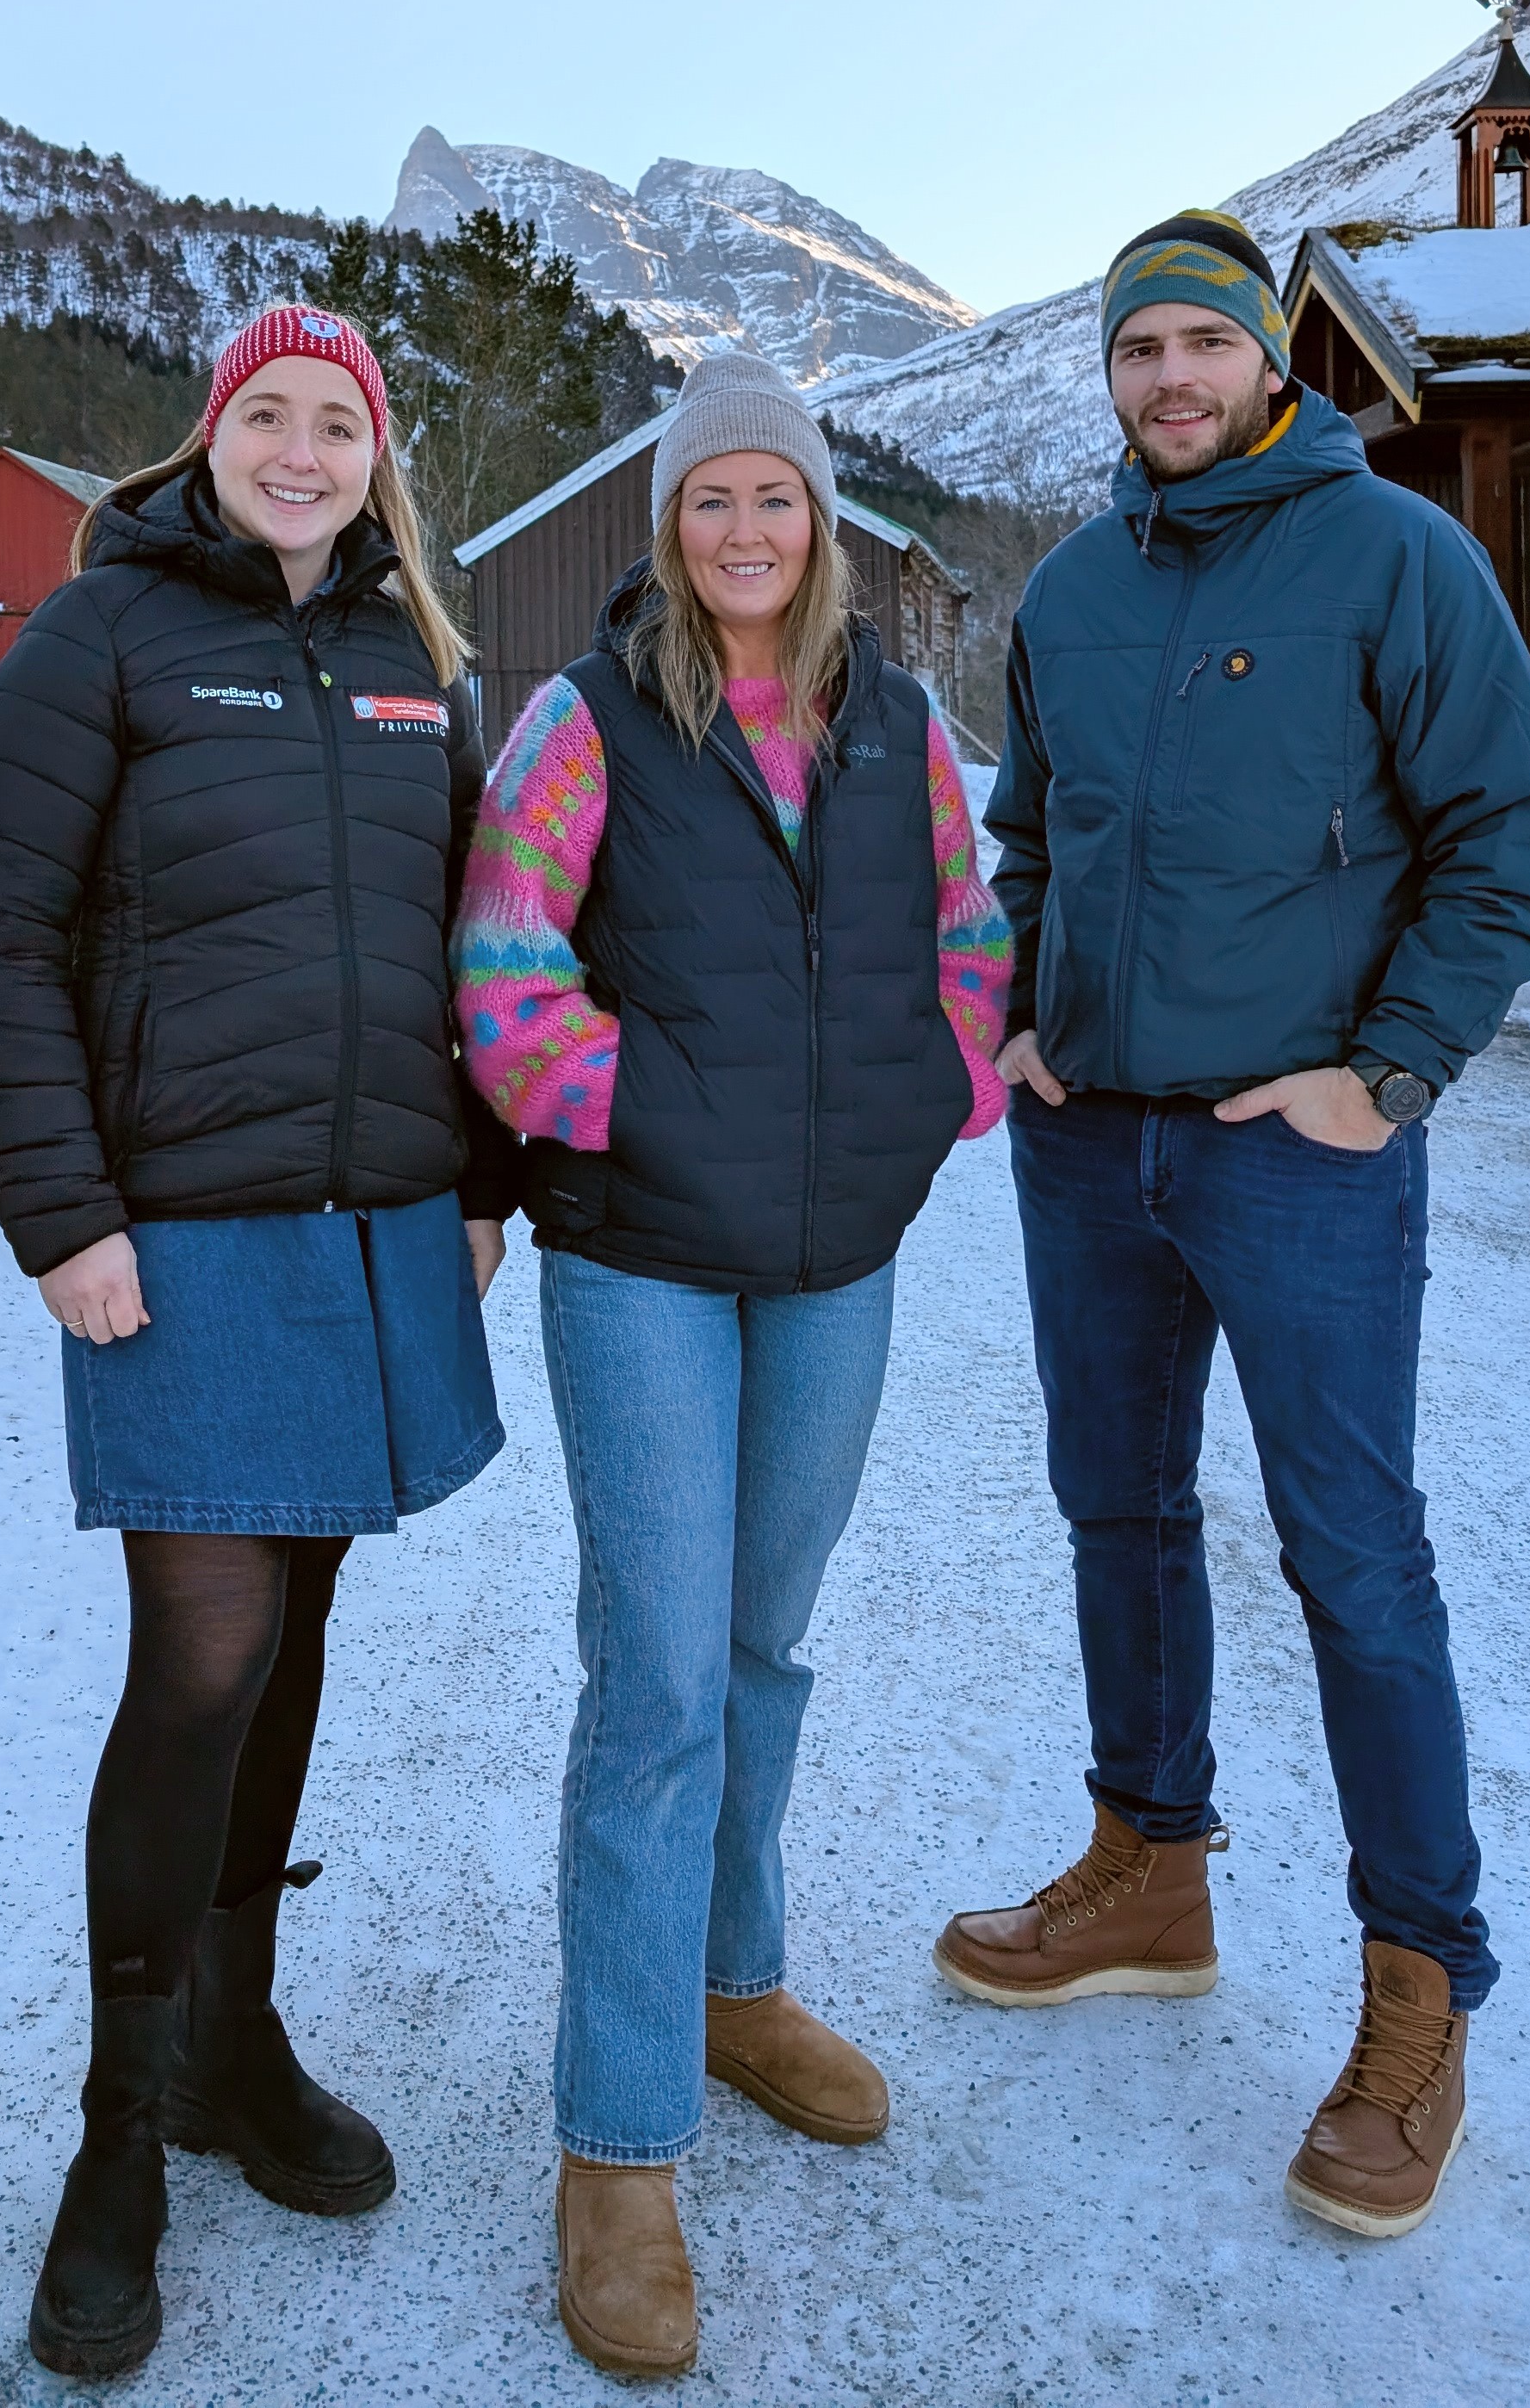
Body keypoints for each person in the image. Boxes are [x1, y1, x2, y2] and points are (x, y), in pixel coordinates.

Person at [933, 211, 1530, 2240]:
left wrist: (1382, 1071)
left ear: (1266, 366)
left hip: (1298, 1150)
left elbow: (1517, 835)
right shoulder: (1067, 589)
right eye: (1140, 357)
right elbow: (1024, 830)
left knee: (1353, 1555)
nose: (1172, 383)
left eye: (1204, 347)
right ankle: (1151, 1865)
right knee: (1115, 1515)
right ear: (1114, 379)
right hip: (1089, 1144)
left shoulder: (1396, 557)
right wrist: (1023, 1006)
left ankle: (1420, 1988)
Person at [0, 301, 518, 2380]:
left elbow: (481, 955)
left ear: (379, 459)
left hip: (371, 1236)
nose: (300, 450)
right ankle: (118, 2126)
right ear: (208, 436)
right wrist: (65, 1221)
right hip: (177, 1241)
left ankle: (234, 2033)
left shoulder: (416, 664)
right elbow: (0, 939)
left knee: (294, 1642)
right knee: (200, 1656)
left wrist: (480, 1185)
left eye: (337, 421)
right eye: (266, 413)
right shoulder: (99, 636)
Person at [455, 348, 1010, 2379]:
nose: (747, 531)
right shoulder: (584, 718)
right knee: (663, 1678)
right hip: (642, 1271)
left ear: (823, 522)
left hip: (835, 1263)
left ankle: (735, 1982)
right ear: (670, 527)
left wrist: (928, 1104)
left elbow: (974, 943)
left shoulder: (907, 731)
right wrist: (630, 1123)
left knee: (769, 1644)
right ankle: (617, 2145)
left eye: (775, 497)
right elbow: (507, 969)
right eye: (712, 501)